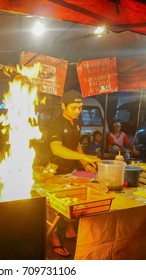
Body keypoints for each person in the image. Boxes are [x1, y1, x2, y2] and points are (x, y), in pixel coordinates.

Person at [47, 90, 102, 257]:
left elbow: (76, 144)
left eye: (80, 108)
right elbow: (57, 149)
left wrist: (85, 163)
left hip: (70, 169)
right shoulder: (55, 124)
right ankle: (53, 235)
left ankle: (70, 230)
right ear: (63, 106)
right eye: (74, 107)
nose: (77, 111)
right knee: (52, 204)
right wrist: (84, 156)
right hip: (53, 169)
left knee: (71, 199)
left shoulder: (77, 123)